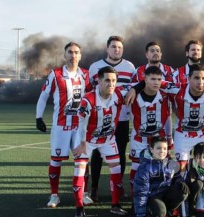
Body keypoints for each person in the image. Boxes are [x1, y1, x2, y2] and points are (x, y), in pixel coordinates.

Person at [36, 42, 93, 208]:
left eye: (76, 52)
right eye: (70, 52)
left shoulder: (86, 75)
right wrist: (38, 117)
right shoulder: (56, 74)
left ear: (80, 56)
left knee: (83, 161)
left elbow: (93, 98)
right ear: (64, 55)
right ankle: (54, 195)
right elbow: (43, 96)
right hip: (61, 126)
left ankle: (85, 193)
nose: (73, 55)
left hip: (80, 126)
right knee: (55, 160)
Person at [72, 66, 129, 217]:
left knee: (116, 169)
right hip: (86, 139)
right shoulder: (88, 100)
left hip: (108, 139)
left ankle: (115, 205)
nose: (111, 84)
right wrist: (82, 143)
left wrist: (136, 90)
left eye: (114, 81)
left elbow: (141, 85)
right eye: (107, 80)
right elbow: (82, 124)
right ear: (99, 81)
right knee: (80, 170)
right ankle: (79, 208)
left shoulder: (119, 93)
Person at [88, 36, 135, 201]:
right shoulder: (95, 67)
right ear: (107, 49)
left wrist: (133, 91)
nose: (117, 50)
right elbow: (88, 90)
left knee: (120, 152)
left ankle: (118, 186)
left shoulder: (129, 67)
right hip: (99, 118)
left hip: (121, 117)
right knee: (96, 153)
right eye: (114, 47)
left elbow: (135, 87)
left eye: (120, 47)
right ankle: (93, 188)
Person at [128, 66, 172, 205]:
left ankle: (160, 196)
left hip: (158, 140)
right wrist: (135, 88)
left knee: (162, 168)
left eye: (159, 79)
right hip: (139, 139)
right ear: (144, 79)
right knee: (136, 168)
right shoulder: (132, 93)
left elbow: (169, 117)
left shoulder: (166, 94)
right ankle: (136, 198)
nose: (156, 82)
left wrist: (170, 139)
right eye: (152, 79)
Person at [134, 136, 189, 217]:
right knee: (160, 211)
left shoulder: (170, 163)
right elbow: (141, 193)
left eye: (165, 148)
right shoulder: (145, 167)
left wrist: (180, 181)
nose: (162, 151)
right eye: (159, 148)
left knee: (183, 192)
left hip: (165, 194)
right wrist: (140, 214)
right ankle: (155, 211)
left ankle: (168, 211)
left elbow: (177, 177)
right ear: (151, 149)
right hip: (152, 197)